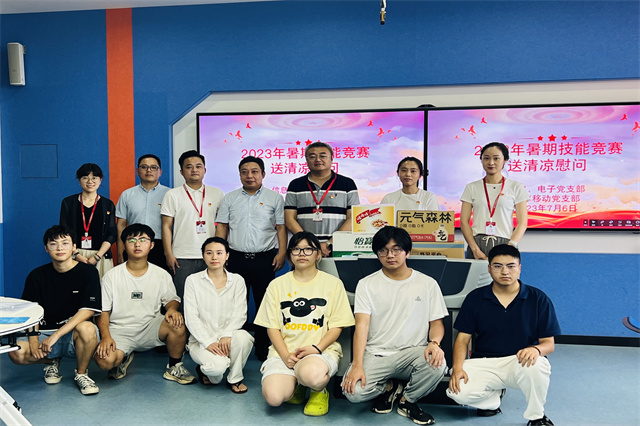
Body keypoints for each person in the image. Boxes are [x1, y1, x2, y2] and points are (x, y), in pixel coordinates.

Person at [342, 226, 448, 425]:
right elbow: (361, 326)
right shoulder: (366, 284)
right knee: (353, 392)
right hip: (376, 353)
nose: (390, 255)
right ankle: (390, 388)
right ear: (377, 254)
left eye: (396, 249)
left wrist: (434, 343)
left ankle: (407, 400)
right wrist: (357, 365)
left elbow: (436, 324)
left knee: (438, 364)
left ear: (407, 252)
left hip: (413, 353)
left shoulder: (427, 284)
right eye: (383, 250)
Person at [447, 244, 560, 426]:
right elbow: (462, 339)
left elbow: (549, 343)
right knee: (456, 391)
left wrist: (536, 350)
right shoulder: (476, 298)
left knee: (538, 365)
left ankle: (537, 416)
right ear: (489, 268)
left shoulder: (538, 298)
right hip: (485, 361)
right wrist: (458, 368)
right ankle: (492, 400)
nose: (505, 271)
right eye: (498, 266)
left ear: (519, 268)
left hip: (519, 361)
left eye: (511, 266)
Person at [254, 231, 355, 416]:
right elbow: (272, 326)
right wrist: (285, 355)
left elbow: (337, 326)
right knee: (274, 397)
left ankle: (317, 390)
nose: (302, 253)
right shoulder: (277, 285)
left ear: (318, 254)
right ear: (290, 255)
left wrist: (317, 348)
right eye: (296, 249)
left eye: (308, 249)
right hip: (285, 352)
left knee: (313, 377)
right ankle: (298, 383)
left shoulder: (333, 284)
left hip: (320, 351)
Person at [94, 223, 197, 385]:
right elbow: (104, 311)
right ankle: (123, 358)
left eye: (143, 240)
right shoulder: (112, 276)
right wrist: (106, 337)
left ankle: (174, 367)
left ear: (152, 245)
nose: (137, 244)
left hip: (150, 327)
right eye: (131, 240)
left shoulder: (161, 274)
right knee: (104, 361)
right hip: (120, 330)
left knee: (176, 322)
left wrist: (172, 309)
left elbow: (171, 299)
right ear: (124, 245)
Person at [9, 225, 101, 395]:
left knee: (88, 328)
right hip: (44, 332)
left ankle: (81, 374)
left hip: (71, 332)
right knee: (17, 353)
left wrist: (56, 336)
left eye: (65, 243)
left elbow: (88, 311)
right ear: (46, 248)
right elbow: (31, 311)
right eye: (53, 244)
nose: (59, 248)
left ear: (74, 247)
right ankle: (51, 361)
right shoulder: (36, 275)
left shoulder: (88, 273)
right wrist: (34, 341)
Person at [215, 156, 287, 361]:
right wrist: (220, 254)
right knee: (236, 303)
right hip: (235, 258)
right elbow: (222, 227)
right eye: (244, 172)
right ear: (239, 175)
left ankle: (262, 345)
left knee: (265, 302)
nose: (249, 175)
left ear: (263, 174)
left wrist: (282, 252)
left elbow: (281, 227)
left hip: (265, 258)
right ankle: (238, 344)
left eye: (254, 171)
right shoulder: (230, 198)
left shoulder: (275, 198)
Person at [184, 237, 254, 393]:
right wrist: (208, 342)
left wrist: (227, 334)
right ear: (203, 256)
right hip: (202, 340)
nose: (214, 257)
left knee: (244, 338)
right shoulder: (193, 281)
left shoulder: (237, 280)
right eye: (209, 253)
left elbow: (240, 313)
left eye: (219, 253)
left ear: (227, 255)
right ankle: (207, 369)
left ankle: (235, 378)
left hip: (227, 338)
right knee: (217, 370)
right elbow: (191, 317)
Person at [161, 150, 224, 300]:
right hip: (182, 256)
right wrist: (169, 254)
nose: (194, 170)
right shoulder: (173, 195)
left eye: (198, 166)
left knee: (209, 298)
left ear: (205, 170)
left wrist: (221, 253)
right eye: (189, 167)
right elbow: (166, 226)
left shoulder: (217, 193)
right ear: (181, 172)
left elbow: (222, 226)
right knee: (183, 299)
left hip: (211, 256)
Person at [284, 142, 360, 257]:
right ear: (306, 160)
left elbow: (353, 218)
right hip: (305, 249)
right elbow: (290, 219)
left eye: (323, 156)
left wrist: (330, 243)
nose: (318, 160)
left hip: (339, 247)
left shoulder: (347, 184)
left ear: (332, 158)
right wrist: (309, 243)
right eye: (312, 156)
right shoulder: (295, 185)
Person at [460, 142, 529, 259]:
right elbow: (463, 222)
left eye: (496, 158)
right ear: (481, 160)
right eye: (486, 158)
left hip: (505, 244)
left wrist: (511, 246)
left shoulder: (516, 187)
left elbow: (522, 223)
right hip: (477, 244)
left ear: (505, 160)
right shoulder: (472, 187)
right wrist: (475, 249)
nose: (491, 162)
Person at [59, 163, 117, 278]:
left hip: (101, 256)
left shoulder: (107, 204)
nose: (90, 181)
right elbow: (64, 232)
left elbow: (112, 233)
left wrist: (97, 256)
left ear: (100, 180)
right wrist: (76, 255)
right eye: (85, 178)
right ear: (79, 180)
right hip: (74, 255)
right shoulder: (68, 202)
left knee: (101, 288)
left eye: (94, 178)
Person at [115, 154, 170, 270]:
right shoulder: (127, 195)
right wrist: (120, 251)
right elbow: (121, 225)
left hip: (162, 245)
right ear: (137, 171)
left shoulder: (170, 194)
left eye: (153, 167)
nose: (149, 170)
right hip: (134, 244)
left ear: (160, 172)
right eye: (144, 167)